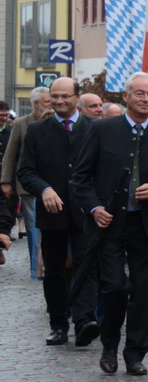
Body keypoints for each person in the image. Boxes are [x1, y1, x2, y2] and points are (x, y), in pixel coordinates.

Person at [68, 72, 148, 377]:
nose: (145, 99)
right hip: (110, 223)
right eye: (139, 93)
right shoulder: (102, 129)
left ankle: (135, 354)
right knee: (116, 286)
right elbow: (80, 177)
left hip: (145, 223)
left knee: (142, 291)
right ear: (126, 96)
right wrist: (94, 207)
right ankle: (109, 346)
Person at [17, 77, 98, 346]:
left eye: (65, 96)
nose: (60, 101)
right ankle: (59, 324)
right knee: (54, 271)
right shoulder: (37, 131)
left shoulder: (94, 128)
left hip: (86, 211)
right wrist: (44, 189)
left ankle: (84, 320)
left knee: (87, 266)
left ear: (77, 97)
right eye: (55, 96)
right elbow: (25, 171)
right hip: (52, 212)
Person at [4, 87, 51, 279]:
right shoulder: (21, 123)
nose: (51, 104)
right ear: (36, 104)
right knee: (33, 227)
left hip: (52, 183)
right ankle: (36, 268)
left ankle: (47, 262)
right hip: (28, 184)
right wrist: (6, 181)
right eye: (47, 101)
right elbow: (10, 153)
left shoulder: (55, 121)